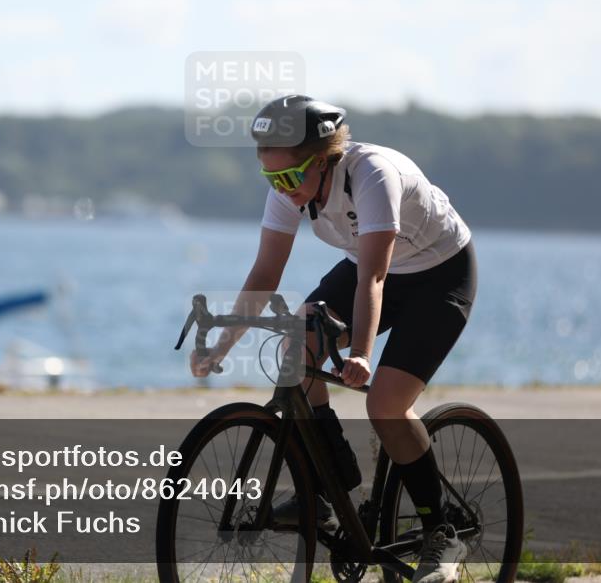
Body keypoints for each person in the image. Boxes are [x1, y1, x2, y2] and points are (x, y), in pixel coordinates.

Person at [189, 95, 477, 583]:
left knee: (385, 404)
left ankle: (441, 530)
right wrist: (222, 346)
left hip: (437, 275)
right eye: (270, 180)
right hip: (371, 268)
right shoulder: (291, 186)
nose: (282, 191)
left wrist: (362, 354)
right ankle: (330, 485)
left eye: (288, 179)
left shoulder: (372, 176)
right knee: (294, 349)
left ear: (321, 160)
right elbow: (264, 273)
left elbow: (374, 281)